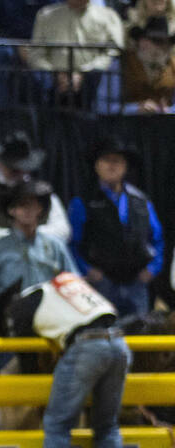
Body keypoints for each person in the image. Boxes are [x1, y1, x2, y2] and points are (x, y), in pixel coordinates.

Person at [5, 273, 129, 448]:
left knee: (57, 426)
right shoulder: (66, 284)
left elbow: (21, 339)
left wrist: (31, 380)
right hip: (119, 343)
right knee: (107, 426)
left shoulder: (25, 301)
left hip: (86, 346)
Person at [67, 136, 163, 320]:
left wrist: (153, 268)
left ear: (125, 166)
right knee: (101, 333)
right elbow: (73, 244)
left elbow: (157, 239)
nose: (112, 166)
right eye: (106, 160)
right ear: (96, 165)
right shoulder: (83, 201)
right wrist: (87, 270)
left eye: (117, 161)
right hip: (101, 282)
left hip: (137, 281)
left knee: (139, 335)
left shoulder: (141, 201)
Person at [0, 130, 71, 246]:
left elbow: (62, 230)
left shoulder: (41, 190)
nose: (19, 172)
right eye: (13, 168)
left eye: (23, 167)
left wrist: (32, 234)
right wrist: (10, 236)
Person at [0, 179, 79, 307]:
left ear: (40, 209)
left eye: (33, 205)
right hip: (9, 313)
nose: (28, 210)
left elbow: (73, 281)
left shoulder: (55, 245)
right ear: (12, 210)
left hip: (51, 312)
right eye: (22, 205)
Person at [26, 0, 124, 106]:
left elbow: (113, 53)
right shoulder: (46, 15)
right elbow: (36, 55)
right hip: (54, 87)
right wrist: (56, 74)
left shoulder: (109, 17)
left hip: (95, 86)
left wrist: (84, 73)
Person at [121, 14, 175, 110]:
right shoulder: (122, 64)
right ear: (141, 42)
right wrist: (136, 108)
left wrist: (168, 110)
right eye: (155, 41)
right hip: (127, 123)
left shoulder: (173, 65)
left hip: (166, 123)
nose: (161, 48)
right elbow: (104, 106)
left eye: (165, 43)